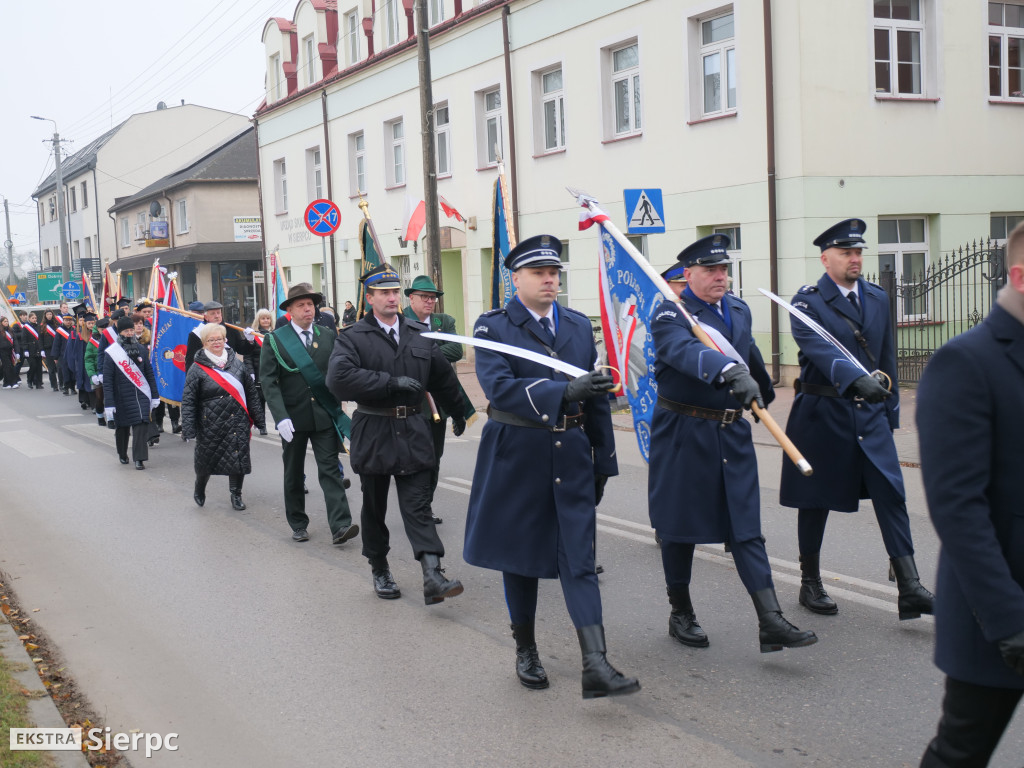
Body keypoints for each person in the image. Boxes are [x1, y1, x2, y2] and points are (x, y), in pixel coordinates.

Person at [464, 235, 639, 698]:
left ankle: (596, 664)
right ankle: (526, 648)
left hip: (573, 452)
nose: (549, 279)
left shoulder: (579, 327)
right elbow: (499, 388)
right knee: (519, 560)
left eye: (554, 272)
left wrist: (603, 461)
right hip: (518, 453)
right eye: (539, 272)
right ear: (515, 278)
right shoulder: (493, 327)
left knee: (580, 560)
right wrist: (561, 393)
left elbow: (596, 397)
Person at [649, 234, 816, 654]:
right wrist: (725, 371)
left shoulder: (738, 309)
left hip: (731, 430)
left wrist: (762, 393)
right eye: (710, 270)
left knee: (746, 528)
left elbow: (750, 357)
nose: (721, 276)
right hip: (684, 432)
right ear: (688, 276)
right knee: (678, 529)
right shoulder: (672, 313)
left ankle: (770, 619)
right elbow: (685, 352)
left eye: (724, 269)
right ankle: (680, 610)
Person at [780, 218, 933, 620]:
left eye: (859, 252)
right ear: (825, 257)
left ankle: (909, 585)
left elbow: (887, 358)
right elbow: (819, 351)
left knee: (891, 492)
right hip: (824, 412)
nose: (856, 259)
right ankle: (809, 582)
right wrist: (856, 380)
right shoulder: (807, 302)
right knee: (816, 500)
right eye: (847, 252)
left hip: (870, 414)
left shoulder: (877, 298)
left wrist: (890, 411)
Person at [916, 221, 1024, 767]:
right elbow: (958, 508)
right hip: (1002, 610)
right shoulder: (967, 362)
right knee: (962, 752)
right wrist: (1009, 620)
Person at [327, 265, 467, 606]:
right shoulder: (352, 336)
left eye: (394, 292)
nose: (391, 298)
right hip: (374, 429)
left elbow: (443, 377)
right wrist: (389, 383)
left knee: (418, 505)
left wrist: (462, 412)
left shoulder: (418, 333)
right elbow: (338, 379)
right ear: (370, 298)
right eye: (384, 293)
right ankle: (379, 567)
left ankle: (432, 573)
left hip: (414, 430)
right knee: (375, 506)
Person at [260, 283, 357, 545]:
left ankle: (341, 525)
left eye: (311, 305)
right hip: (293, 418)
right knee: (293, 472)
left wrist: (343, 399)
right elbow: (269, 381)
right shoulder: (276, 339)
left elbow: (337, 372)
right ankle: (298, 523)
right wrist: (280, 417)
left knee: (330, 471)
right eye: (302, 305)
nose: (308, 309)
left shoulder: (327, 335)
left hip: (323, 415)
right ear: (289, 309)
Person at [402, 274, 474, 525]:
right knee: (413, 459)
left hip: (439, 402)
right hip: (412, 402)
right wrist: (430, 355)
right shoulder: (400, 322)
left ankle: (426, 506)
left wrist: (421, 355)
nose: (430, 302)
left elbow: (456, 350)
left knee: (434, 457)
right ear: (411, 298)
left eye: (433, 298)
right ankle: (415, 507)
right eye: (424, 297)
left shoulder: (444, 321)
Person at [181, 323, 266, 510]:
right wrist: (188, 428)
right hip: (210, 423)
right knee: (206, 460)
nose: (216, 342)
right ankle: (200, 487)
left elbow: (251, 394)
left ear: (225, 340)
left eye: (219, 339)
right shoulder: (197, 368)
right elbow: (188, 400)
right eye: (211, 340)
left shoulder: (237, 363)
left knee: (238, 458)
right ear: (204, 343)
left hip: (237, 421)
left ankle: (236, 495)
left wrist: (259, 419)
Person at [102, 316, 160, 470]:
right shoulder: (112, 353)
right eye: (126, 330)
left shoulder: (141, 349)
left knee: (141, 424)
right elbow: (107, 380)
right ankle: (122, 453)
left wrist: (154, 395)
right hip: (121, 396)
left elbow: (149, 374)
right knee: (122, 428)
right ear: (120, 333)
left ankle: (139, 459)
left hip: (141, 394)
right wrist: (109, 404)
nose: (129, 333)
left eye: (131, 330)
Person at [185, 300, 256, 371]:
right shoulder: (196, 334)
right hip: (208, 374)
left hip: (230, 373)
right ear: (206, 317)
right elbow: (191, 360)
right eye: (213, 313)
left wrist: (250, 340)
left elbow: (242, 350)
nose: (217, 316)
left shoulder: (231, 330)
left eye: (218, 313)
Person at [247, 308, 275, 435]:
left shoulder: (275, 335)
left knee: (275, 399)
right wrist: (250, 372)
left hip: (273, 371)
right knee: (260, 401)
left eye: (268, 318)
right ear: (258, 320)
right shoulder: (253, 336)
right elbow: (248, 356)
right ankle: (261, 425)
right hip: (258, 372)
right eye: (263, 318)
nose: (266, 320)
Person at [84, 317, 112, 426]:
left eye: (106, 328)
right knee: (100, 397)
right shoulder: (92, 342)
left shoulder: (112, 338)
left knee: (111, 397)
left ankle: (111, 419)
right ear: (98, 329)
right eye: (102, 329)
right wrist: (92, 375)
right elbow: (89, 359)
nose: (104, 330)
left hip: (110, 372)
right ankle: (100, 415)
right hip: (97, 373)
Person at [50, 313, 76, 395]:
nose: (68, 322)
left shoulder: (74, 330)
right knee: (65, 372)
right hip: (63, 355)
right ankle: (66, 387)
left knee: (73, 371)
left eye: (69, 320)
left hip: (72, 354)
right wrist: (55, 356)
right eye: (66, 320)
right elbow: (56, 344)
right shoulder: (60, 331)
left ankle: (72, 388)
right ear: (63, 321)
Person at [19, 313, 44, 389]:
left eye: (35, 318)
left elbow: (41, 338)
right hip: (30, 349)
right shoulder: (26, 328)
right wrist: (25, 349)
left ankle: (38, 383)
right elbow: (24, 339)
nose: (34, 319)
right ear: (29, 319)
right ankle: (30, 380)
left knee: (39, 367)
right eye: (33, 318)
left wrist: (42, 349)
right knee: (33, 365)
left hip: (38, 349)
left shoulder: (39, 327)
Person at [40, 310, 59, 391]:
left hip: (57, 348)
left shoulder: (56, 324)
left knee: (59, 368)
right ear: (45, 316)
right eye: (47, 314)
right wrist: (42, 349)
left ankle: (62, 384)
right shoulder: (43, 326)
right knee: (51, 369)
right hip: (48, 349)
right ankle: (54, 385)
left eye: (50, 314)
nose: (49, 315)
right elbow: (40, 339)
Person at [0, 317, 20, 389]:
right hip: (2, 351)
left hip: (10, 351)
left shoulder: (11, 330)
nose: (6, 322)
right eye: (5, 321)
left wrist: (17, 352)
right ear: (1, 323)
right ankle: (13, 382)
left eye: (7, 321)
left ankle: (6, 383)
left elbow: (15, 341)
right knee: (8, 367)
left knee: (7, 367)